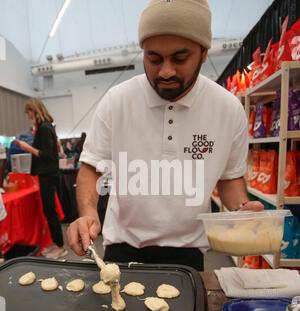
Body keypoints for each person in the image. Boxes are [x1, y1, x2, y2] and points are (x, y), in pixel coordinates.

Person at [67, 0, 263, 271]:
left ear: (204, 53)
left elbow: (229, 179)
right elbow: (91, 167)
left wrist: (242, 208)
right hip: (122, 248)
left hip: (188, 252)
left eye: (180, 58)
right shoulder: (117, 101)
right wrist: (88, 215)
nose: (166, 71)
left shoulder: (227, 109)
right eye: (154, 58)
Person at [15, 98, 67, 259]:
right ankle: (56, 243)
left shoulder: (44, 128)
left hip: (48, 175)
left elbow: (47, 155)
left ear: (34, 111)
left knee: (50, 210)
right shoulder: (46, 127)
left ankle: (60, 246)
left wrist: (27, 147)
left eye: (28, 111)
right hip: (48, 174)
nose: (27, 114)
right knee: (49, 210)